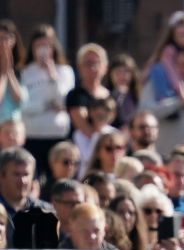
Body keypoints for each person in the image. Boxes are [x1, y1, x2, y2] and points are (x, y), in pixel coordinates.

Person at [19, 24, 73, 167]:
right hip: (32, 134)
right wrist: (45, 105)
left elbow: (63, 102)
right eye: (39, 46)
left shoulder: (65, 71)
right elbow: (23, 105)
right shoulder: (25, 73)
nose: (43, 50)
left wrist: (52, 75)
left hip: (58, 134)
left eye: (46, 46)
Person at [65, 43, 110, 149]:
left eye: (97, 63)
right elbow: (84, 127)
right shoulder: (75, 96)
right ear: (80, 68)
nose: (93, 67)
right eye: (88, 63)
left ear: (105, 67)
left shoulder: (110, 95)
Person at [0, 147, 48, 240]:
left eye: (26, 174)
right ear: (2, 176)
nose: (22, 181)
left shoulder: (46, 211)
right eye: (16, 174)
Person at [0, 20, 25, 125]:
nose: (4, 43)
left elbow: (19, 99)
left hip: (12, 127)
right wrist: (3, 74)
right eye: (1, 38)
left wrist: (9, 70)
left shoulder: (21, 68)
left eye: (9, 38)